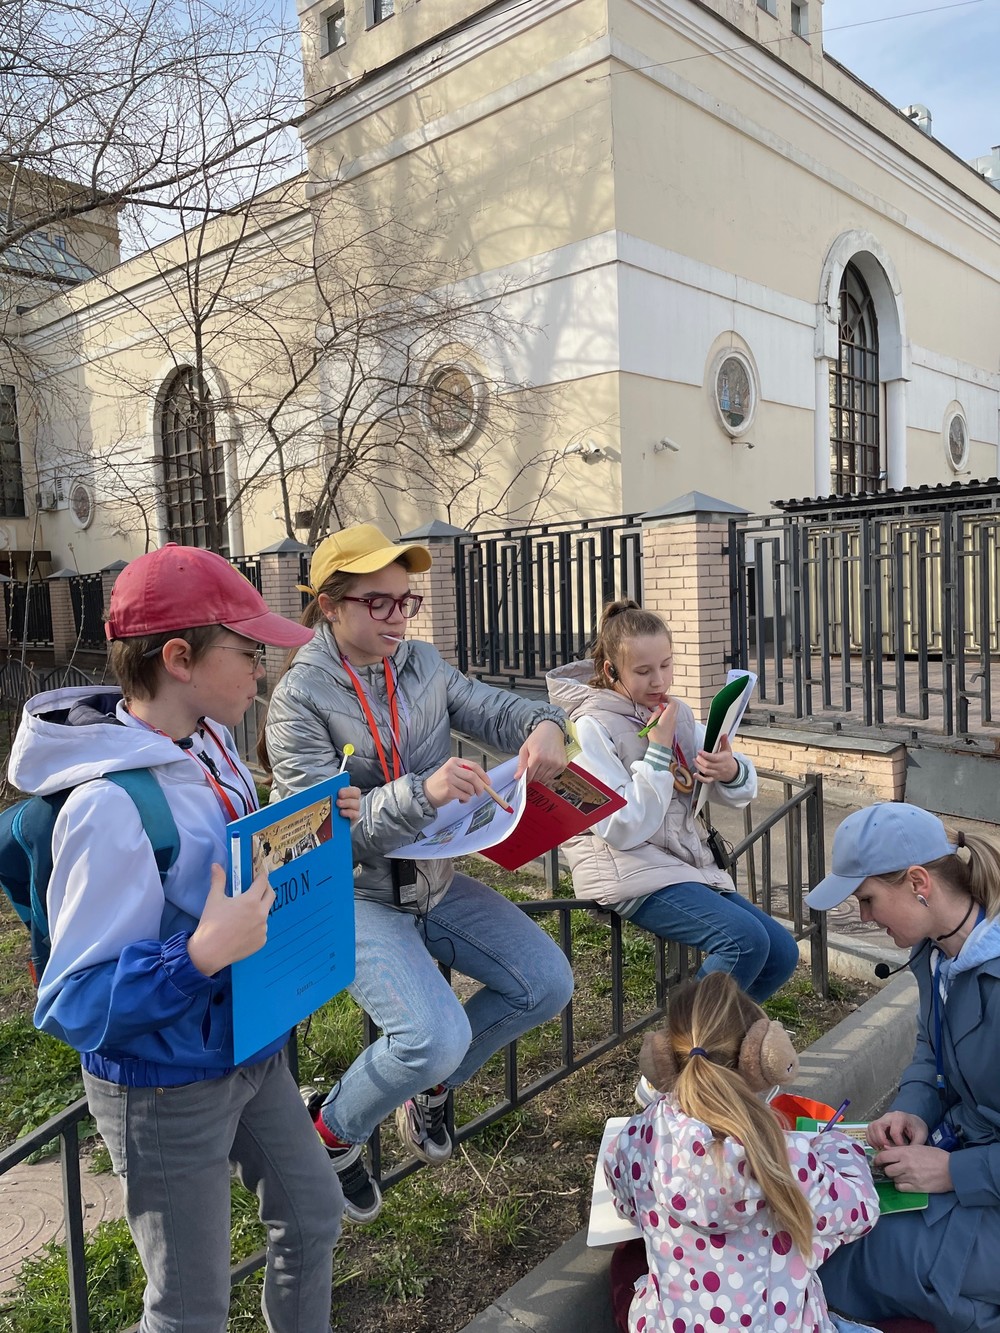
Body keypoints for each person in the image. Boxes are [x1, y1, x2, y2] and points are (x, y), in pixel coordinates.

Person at [8, 544, 361, 1333]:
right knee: (189, 1307)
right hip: (163, 1083)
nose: (262, 672)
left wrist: (309, 831)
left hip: (246, 1042)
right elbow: (73, 1001)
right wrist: (201, 953)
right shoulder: (109, 805)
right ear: (179, 658)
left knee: (312, 1216)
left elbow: (228, 859)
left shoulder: (208, 740)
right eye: (249, 653)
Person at [263, 523, 575, 1224]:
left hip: (432, 879)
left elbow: (500, 709)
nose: (399, 616)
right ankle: (333, 1131)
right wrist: (422, 793)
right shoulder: (298, 701)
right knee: (433, 1034)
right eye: (381, 602)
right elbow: (321, 840)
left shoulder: (423, 665)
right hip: (357, 896)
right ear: (330, 603)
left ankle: (427, 1088)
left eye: (408, 600)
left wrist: (547, 722)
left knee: (546, 982)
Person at [806, 802, 1000, 1333]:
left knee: (842, 1253)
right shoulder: (940, 952)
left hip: (980, 1183)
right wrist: (911, 1108)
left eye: (867, 899)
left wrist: (953, 1172)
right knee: (833, 1233)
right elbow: (931, 1052)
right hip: (972, 1167)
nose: (864, 917)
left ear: (919, 882)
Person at [545, 600, 798, 1003]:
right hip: (626, 869)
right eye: (643, 671)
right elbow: (621, 828)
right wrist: (659, 753)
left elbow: (737, 789)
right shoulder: (586, 725)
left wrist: (729, 770)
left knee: (782, 953)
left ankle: (718, 1048)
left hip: (680, 861)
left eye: (666, 665)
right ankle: (676, 1056)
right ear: (611, 671)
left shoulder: (670, 714)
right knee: (744, 942)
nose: (658, 680)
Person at [604, 972, 880, 1333]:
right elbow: (861, 1211)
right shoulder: (782, 1156)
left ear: (662, 1059)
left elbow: (626, 1204)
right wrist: (836, 1147)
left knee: (625, 1266)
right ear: (763, 1057)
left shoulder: (638, 1137)